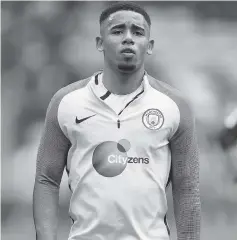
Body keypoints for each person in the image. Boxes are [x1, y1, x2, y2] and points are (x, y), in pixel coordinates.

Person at [33, 2, 201, 240]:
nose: (128, 38)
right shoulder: (66, 102)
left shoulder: (175, 106)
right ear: (99, 43)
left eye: (138, 32)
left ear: (149, 46)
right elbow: (46, 179)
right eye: (118, 31)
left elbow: (187, 189)